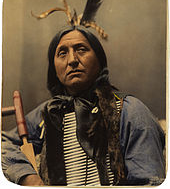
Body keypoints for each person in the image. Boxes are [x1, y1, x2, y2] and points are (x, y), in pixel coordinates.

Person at [1, 25, 165, 186]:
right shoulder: (48, 113)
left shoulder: (130, 111)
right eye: (62, 53)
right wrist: (28, 178)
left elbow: (148, 184)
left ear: (99, 61)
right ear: (55, 71)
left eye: (81, 49)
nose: (72, 60)